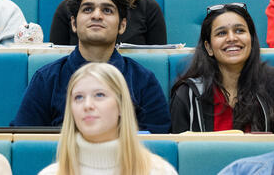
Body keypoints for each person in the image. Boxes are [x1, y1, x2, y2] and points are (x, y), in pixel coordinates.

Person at [12, 0, 170, 133]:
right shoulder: (46, 79)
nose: (97, 16)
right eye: (88, 9)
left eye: (107, 10)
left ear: (122, 25)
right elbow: (25, 140)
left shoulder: (143, 80)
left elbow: (157, 142)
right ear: (73, 23)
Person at [170, 3, 274, 133]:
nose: (232, 38)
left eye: (240, 30)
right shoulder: (188, 94)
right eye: (221, 33)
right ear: (209, 47)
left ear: (251, 39)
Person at [38, 63, 177, 175]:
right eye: (78, 97)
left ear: (121, 105)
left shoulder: (159, 171)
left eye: (99, 95)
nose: (87, 105)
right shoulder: (51, 173)